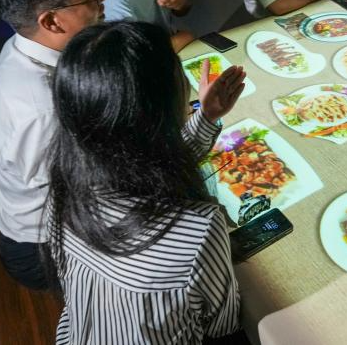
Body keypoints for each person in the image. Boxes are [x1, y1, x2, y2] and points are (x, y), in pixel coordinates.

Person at [47, 21, 245, 344]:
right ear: (161, 110)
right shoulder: (198, 231)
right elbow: (223, 326)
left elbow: (142, 165)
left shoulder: (65, 184)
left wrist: (207, 116)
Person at [0, 0, 106, 290]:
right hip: (44, 248)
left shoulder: (24, 44)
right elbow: (91, 192)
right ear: (51, 21)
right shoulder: (43, 109)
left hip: (44, 212)